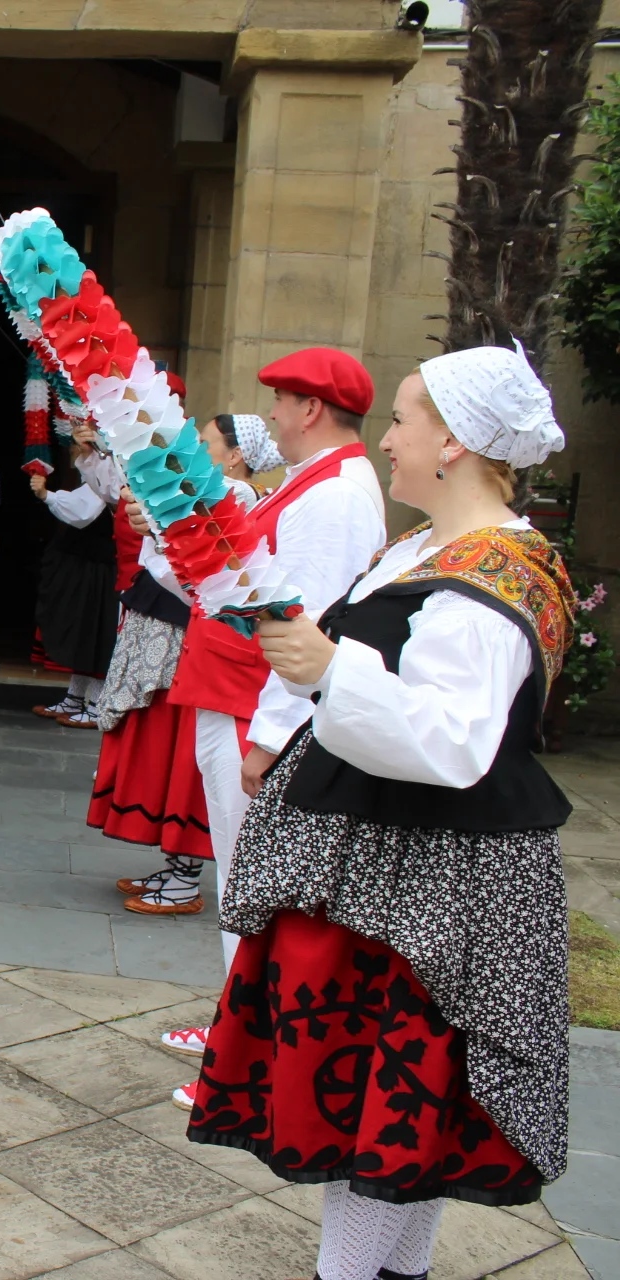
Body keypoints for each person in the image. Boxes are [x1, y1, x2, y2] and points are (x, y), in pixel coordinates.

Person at [189, 345, 573, 1280]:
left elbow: (453, 743)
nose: (388, 440)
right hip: (389, 875)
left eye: (402, 420)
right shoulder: (424, 549)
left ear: (454, 442)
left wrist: (331, 670)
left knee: (388, 1099)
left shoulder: (489, 577)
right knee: (397, 1112)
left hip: (426, 885)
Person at [158, 349, 387, 1098]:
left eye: (281, 402)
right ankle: (236, 1034)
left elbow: (310, 622)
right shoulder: (310, 481)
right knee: (242, 879)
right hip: (234, 692)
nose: (273, 417)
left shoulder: (334, 494)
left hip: (253, 704)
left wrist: (269, 737)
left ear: (311, 409)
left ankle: (245, 1064)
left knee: (252, 883)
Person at [98, 414, 277, 915]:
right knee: (173, 758)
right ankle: (178, 868)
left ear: (235, 456)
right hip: (179, 642)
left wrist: (156, 524)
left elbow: (195, 577)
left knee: (186, 764)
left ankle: (185, 877)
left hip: (193, 648)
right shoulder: (214, 495)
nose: (196, 450)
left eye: (206, 443)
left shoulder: (236, 498)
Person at [28, 417, 121, 728]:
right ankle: (74, 697)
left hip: (101, 570)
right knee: (85, 637)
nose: (75, 452)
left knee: (96, 637)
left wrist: (46, 495)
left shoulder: (107, 480)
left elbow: (82, 512)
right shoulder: (94, 480)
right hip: (89, 568)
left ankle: (95, 705)